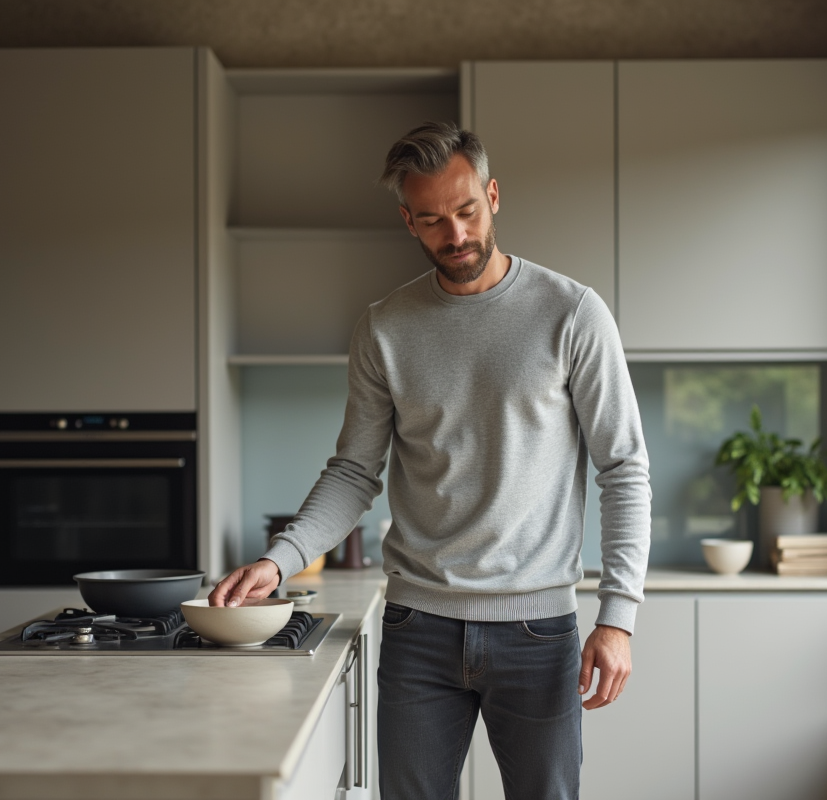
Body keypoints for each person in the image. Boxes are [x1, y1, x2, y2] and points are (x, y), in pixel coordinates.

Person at [209, 121, 652, 800]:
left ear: (494, 196)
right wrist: (280, 559)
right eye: (432, 220)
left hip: (538, 631)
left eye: (467, 211)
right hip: (420, 631)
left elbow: (623, 468)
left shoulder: (573, 314)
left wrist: (617, 617)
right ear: (407, 222)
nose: (456, 235)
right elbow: (355, 472)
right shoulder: (384, 328)